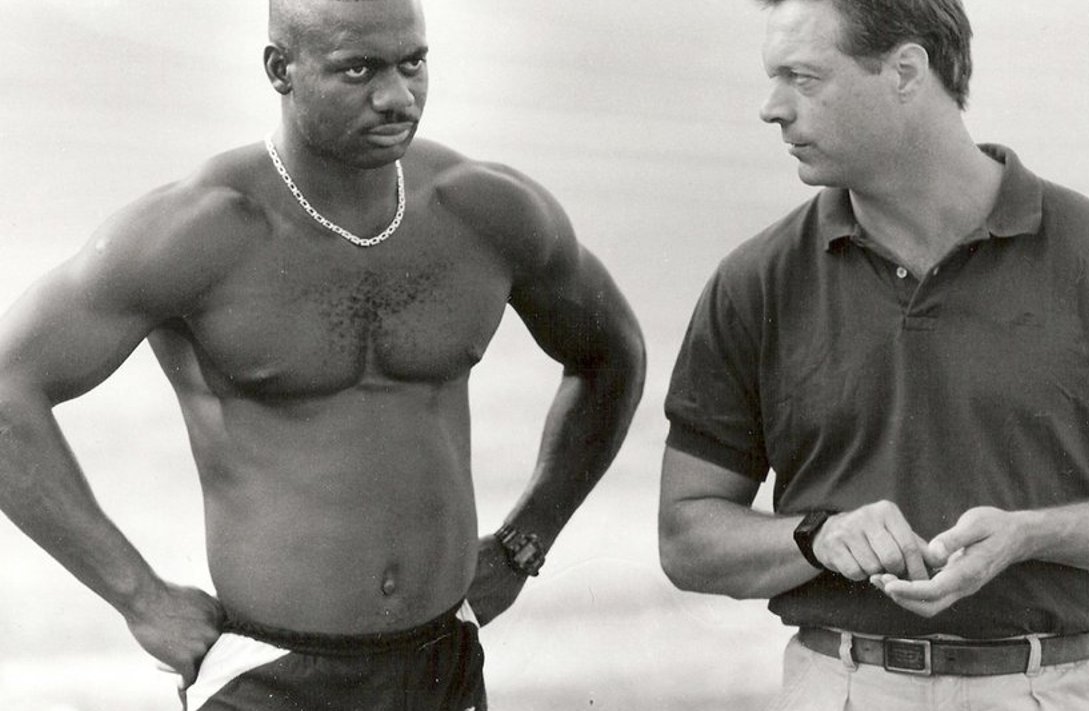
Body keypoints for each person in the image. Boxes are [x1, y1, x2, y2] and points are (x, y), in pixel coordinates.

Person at [0, 0, 645, 708]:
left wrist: (528, 539)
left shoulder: (484, 212)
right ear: (281, 69)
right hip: (271, 673)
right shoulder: (200, 231)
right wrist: (140, 597)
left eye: (414, 63)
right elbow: (7, 391)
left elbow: (612, 355)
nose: (397, 96)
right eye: (358, 69)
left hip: (442, 662)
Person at [658, 0, 1089, 708]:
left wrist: (1031, 535)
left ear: (906, 71)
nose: (772, 108)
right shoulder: (755, 282)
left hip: (1047, 690)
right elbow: (686, 534)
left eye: (803, 77)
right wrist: (815, 537)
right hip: (837, 689)